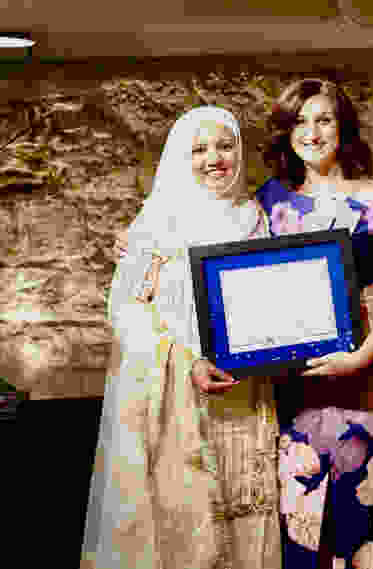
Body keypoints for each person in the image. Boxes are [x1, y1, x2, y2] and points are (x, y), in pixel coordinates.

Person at [82, 106, 282, 569]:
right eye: (199, 149)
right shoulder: (156, 221)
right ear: (179, 157)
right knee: (185, 530)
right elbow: (127, 312)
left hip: (244, 393)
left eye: (226, 146)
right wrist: (186, 360)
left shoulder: (254, 217)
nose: (215, 158)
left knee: (245, 516)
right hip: (177, 398)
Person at [258, 78, 373, 569]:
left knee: (354, 518)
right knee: (293, 518)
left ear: (343, 126)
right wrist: (144, 249)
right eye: (299, 121)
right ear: (286, 132)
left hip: (359, 375)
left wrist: (361, 357)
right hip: (290, 380)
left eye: (323, 119)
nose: (311, 132)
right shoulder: (269, 199)